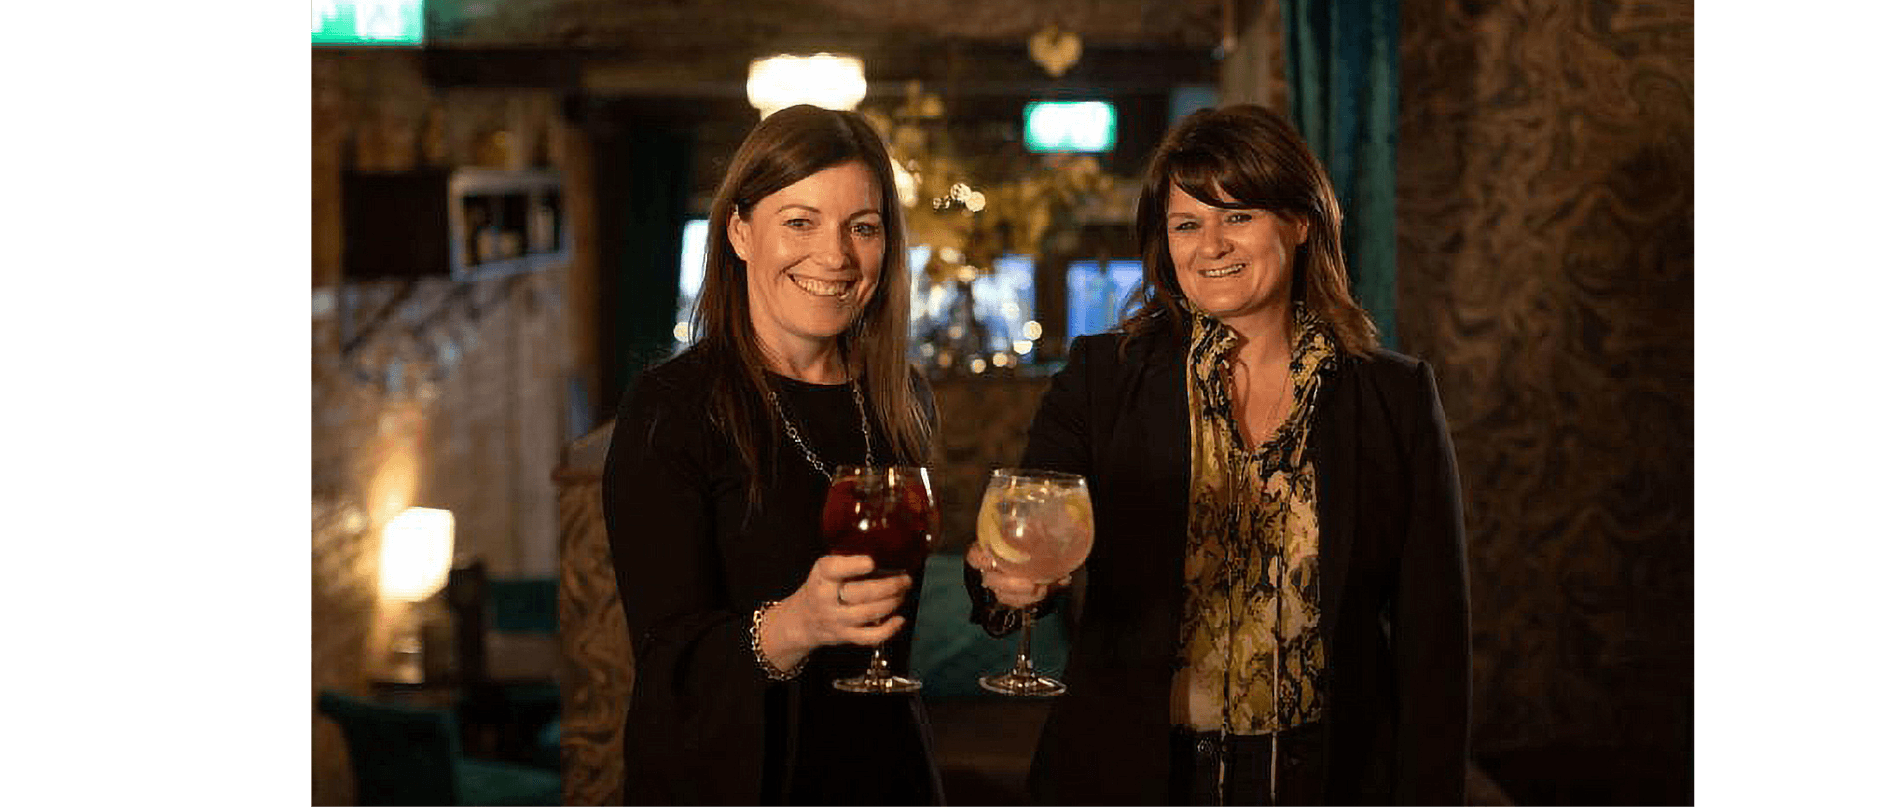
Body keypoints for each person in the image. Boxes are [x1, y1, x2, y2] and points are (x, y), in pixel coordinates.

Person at [965, 104, 1470, 806]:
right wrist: (1004, 584)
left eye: (1237, 215)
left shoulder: (1394, 395)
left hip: (1327, 779)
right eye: (1186, 223)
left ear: (1299, 222)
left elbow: (1433, 638)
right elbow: (1023, 528)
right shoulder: (1102, 378)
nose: (1210, 244)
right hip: (1133, 775)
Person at [604, 103, 947, 806]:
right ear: (738, 230)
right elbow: (668, 658)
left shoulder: (899, 395)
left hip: (884, 772)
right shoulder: (670, 407)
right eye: (800, 221)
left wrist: (1001, 591)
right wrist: (796, 624)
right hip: (738, 782)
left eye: (863, 227)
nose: (835, 256)